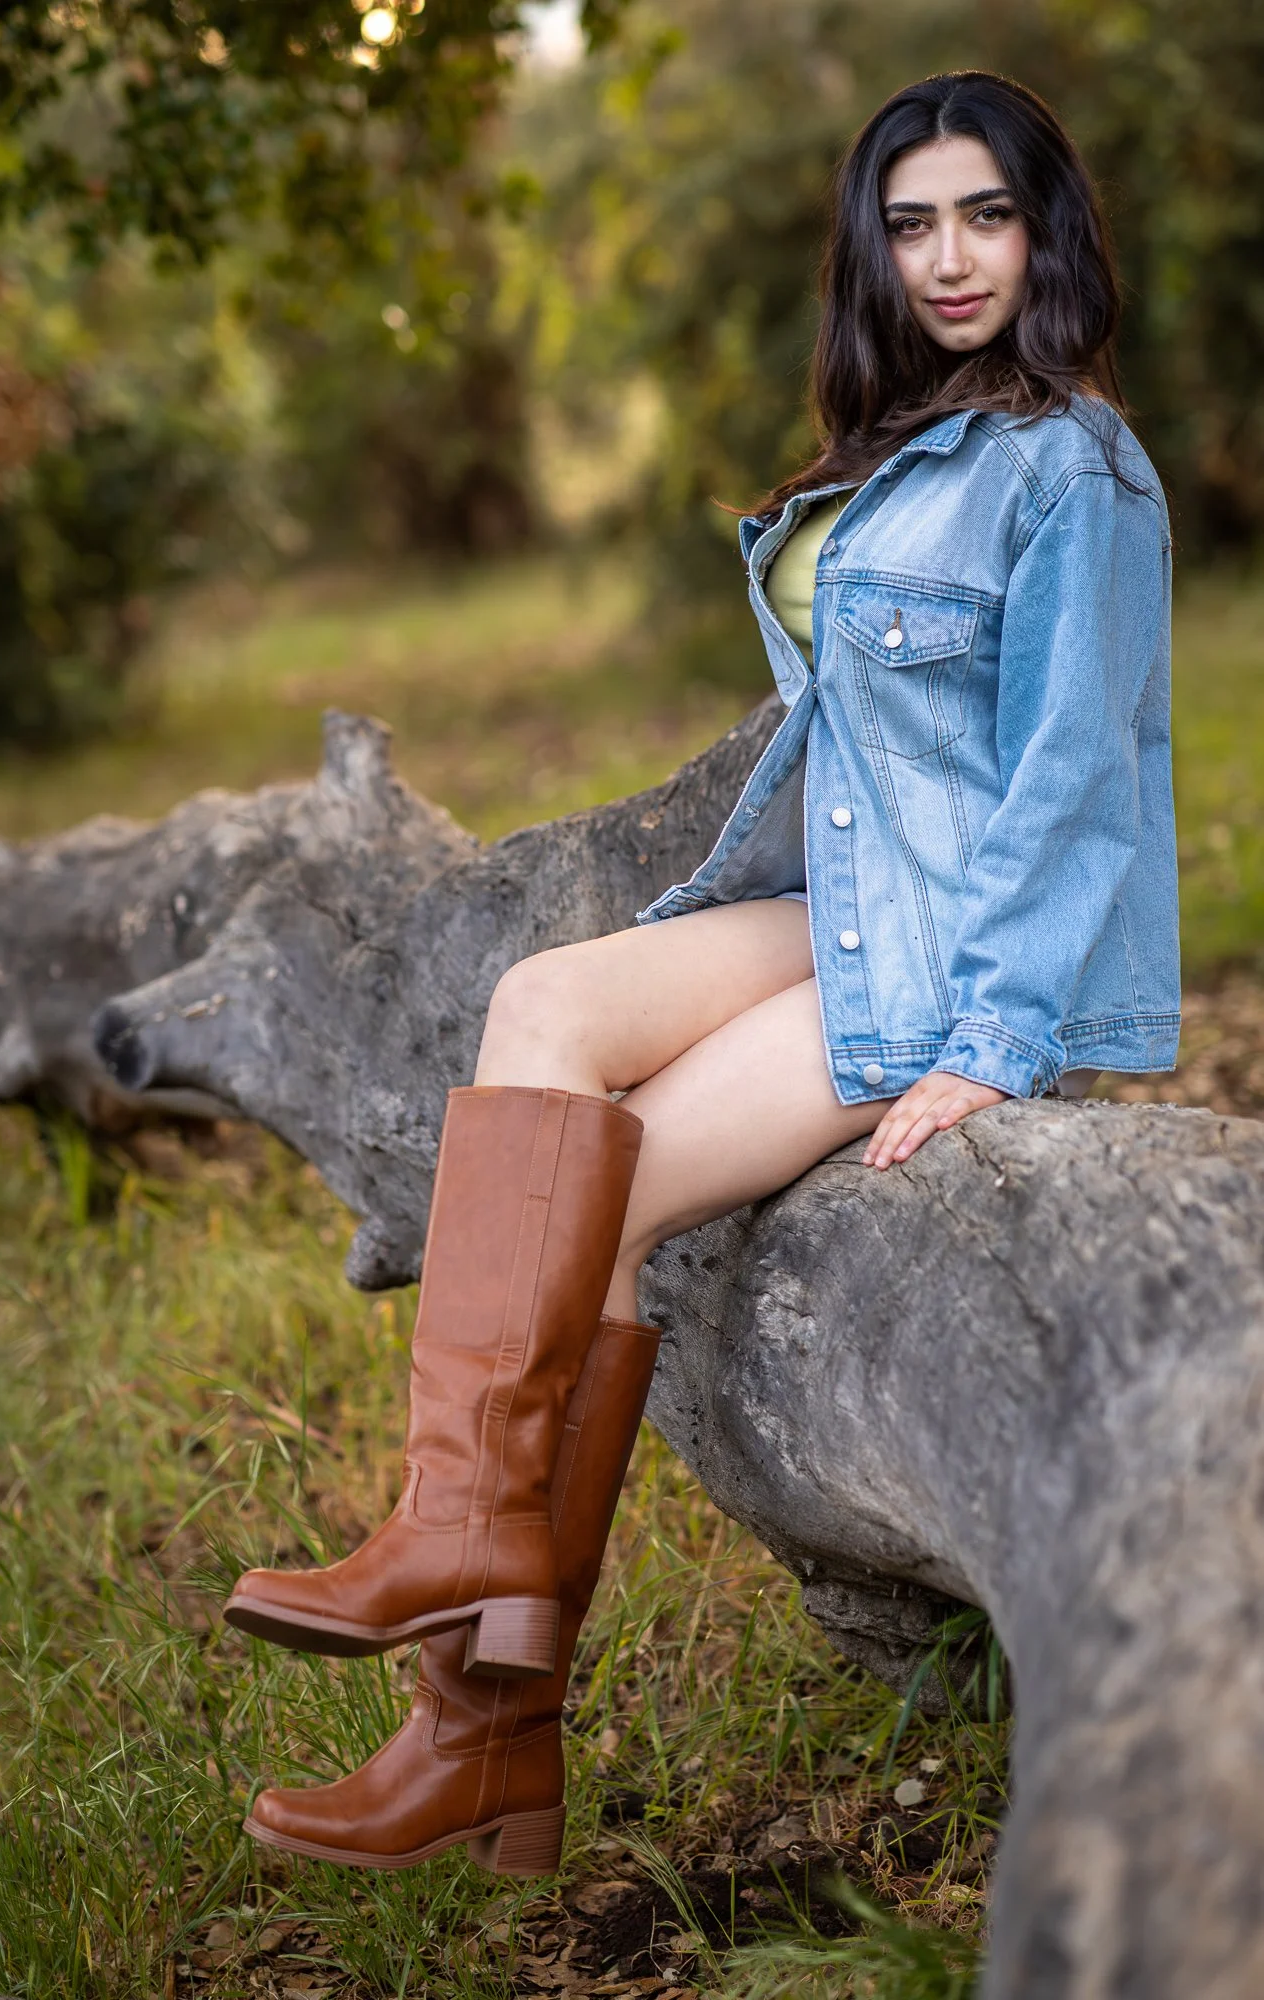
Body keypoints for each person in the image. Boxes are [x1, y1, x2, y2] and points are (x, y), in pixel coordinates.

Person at [222, 69, 1179, 1876]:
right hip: (840, 905)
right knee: (542, 1015)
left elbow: (1072, 782)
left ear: (1046, 229)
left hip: (951, 956)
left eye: (986, 215)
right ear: (871, 252)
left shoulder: (1075, 467)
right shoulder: (908, 442)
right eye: (911, 225)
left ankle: (476, 1731)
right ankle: (459, 1542)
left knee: (608, 1198)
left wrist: (990, 1040)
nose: (950, 256)